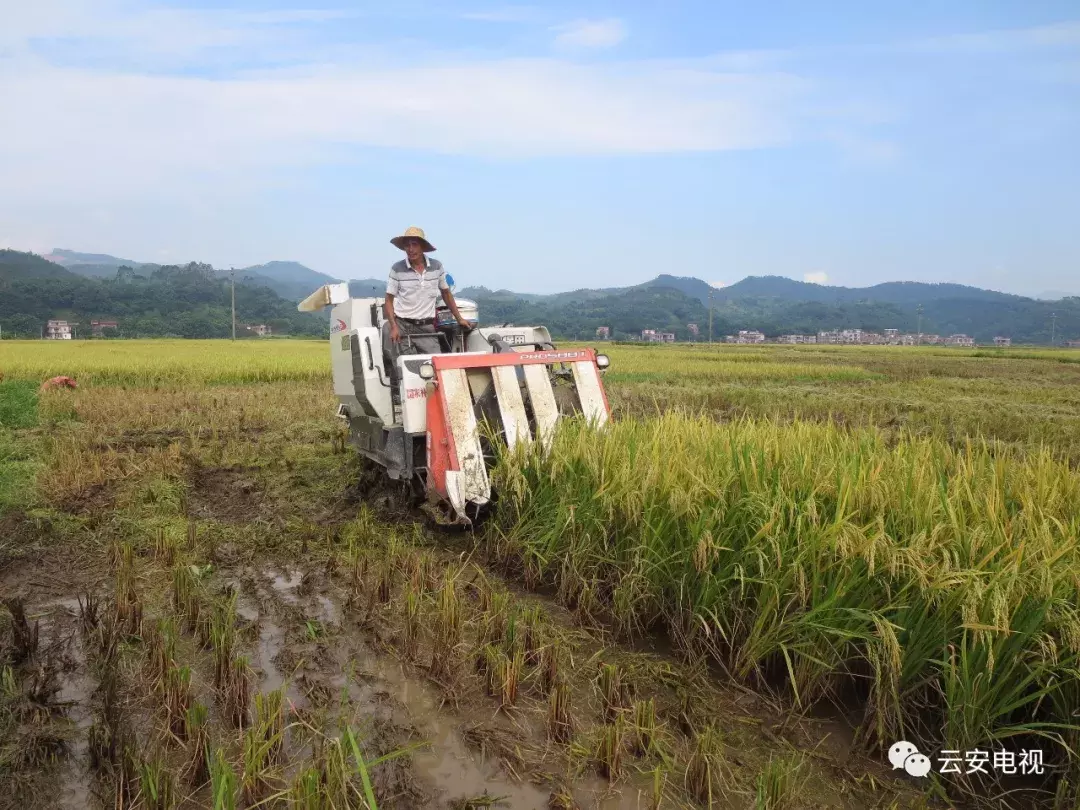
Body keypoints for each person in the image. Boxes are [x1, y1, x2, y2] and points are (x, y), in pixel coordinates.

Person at [382, 226, 472, 366]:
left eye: (414, 244)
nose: (410, 249)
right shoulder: (397, 268)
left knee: (436, 364)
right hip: (403, 325)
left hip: (426, 326)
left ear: (422, 247)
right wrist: (394, 326)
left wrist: (459, 318)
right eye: (407, 245)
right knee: (406, 367)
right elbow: (388, 300)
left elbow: (446, 293)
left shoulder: (436, 267)